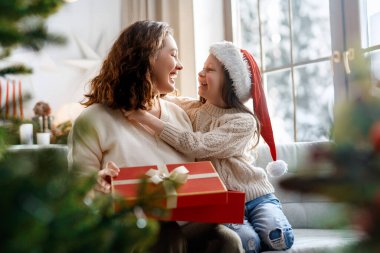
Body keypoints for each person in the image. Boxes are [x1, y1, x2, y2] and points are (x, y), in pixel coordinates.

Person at [67, 21, 244, 253]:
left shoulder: (180, 116)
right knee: (165, 234)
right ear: (147, 56)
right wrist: (96, 184)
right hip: (127, 230)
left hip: (185, 225)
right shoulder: (94, 120)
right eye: (173, 55)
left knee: (228, 240)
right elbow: (77, 195)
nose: (180, 66)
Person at [124, 41, 295, 252]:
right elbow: (161, 99)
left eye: (209, 70)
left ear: (231, 82)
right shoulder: (193, 109)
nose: (200, 73)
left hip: (257, 197)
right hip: (226, 203)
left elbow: (197, 145)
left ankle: (272, 220)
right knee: (249, 243)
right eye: (202, 68)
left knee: (279, 237)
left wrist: (144, 118)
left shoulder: (243, 122)